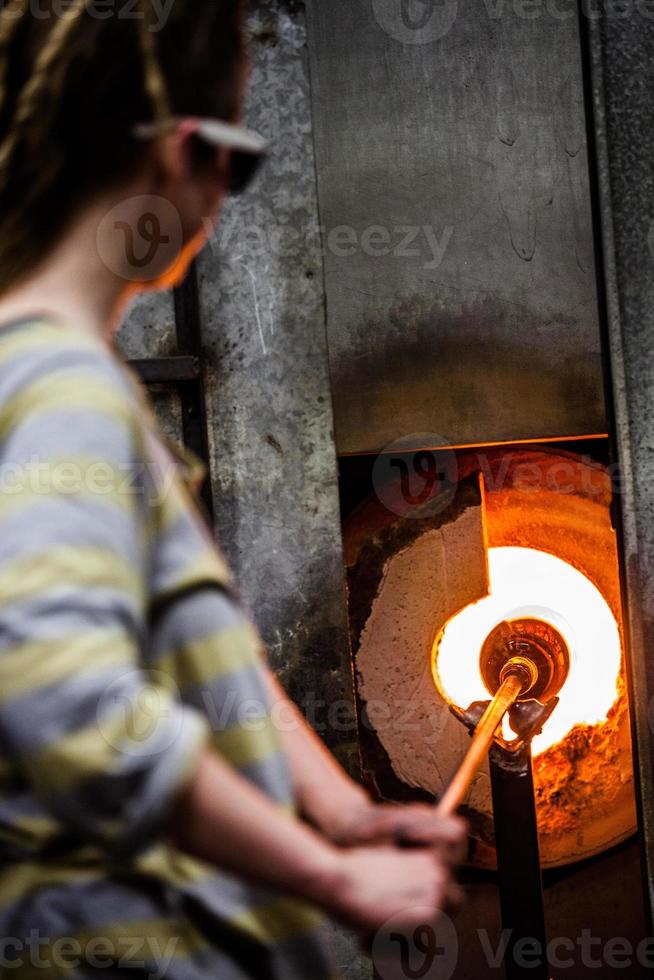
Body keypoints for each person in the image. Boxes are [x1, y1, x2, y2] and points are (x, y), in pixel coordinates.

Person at [0, 1, 466, 977]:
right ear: (179, 153)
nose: (226, 199)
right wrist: (330, 879)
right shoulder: (64, 394)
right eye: (238, 160)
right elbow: (64, 700)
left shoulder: (48, 379)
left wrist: (342, 810)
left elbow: (211, 658)